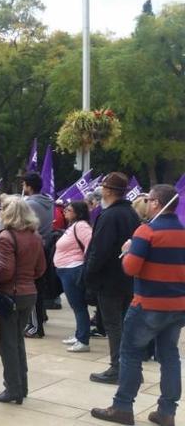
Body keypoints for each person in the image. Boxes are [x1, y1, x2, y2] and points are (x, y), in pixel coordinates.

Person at [90, 184, 185, 426]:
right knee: (170, 356)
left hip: (147, 304)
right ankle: (167, 412)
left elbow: (131, 268)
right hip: (176, 306)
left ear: (156, 203)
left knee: (130, 353)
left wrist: (127, 250)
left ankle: (123, 407)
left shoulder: (147, 231)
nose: (146, 202)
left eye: (148, 199)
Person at [0, 197, 47, 404]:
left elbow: (5, 269)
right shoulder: (35, 236)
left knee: (8, 344)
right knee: (17, 341)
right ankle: (21, 386)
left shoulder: (6, 236)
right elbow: (41, 269)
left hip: (9, 294)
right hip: (29, 292)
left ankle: (13, 388)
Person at [84, 172, 141, 385]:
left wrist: (89, 275)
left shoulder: (110, 216)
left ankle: (118, 367)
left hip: (110, 280)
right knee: (124, 325)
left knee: (113, 325)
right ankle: (130, 367)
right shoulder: (131, 214)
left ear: (108, 191)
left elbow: (99, 250)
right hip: (127, 277)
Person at [54, 200, 94, 353]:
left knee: (78, 306)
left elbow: (90, 244)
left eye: (69, 210)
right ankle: (79, 335)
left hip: (73, 269)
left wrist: (82, 262)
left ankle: (83, 340)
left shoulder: (81, 226)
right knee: (76, 306)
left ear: (78, 212)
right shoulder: (73, 225)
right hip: (66, 269)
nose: (65, 212)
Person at [22, 171, 55, 339]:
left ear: (28, 186)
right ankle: (39, 318)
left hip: (32, 247)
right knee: (38, 285)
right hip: (45, 246)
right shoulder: (50, 202)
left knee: (31, 286)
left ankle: (35, 326)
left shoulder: (28, 204)